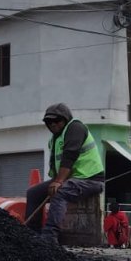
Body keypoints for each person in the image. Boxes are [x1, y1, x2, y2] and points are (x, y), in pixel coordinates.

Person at [25, 103, 105, 244]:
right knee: (33, 193)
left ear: (66, 119)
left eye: (57, 120)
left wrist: (58, 182)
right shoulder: (55, 139)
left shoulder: (75, 128)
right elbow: (57, 165)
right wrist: (56, 180)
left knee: (59, 191)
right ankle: (32, 233)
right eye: (49, 122)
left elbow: (70, 155)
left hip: (90, 179)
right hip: (71, 179)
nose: (53, 124)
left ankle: (50, 236)